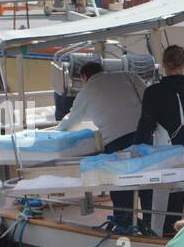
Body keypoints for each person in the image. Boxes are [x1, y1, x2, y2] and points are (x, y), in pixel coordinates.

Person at [134, 44, 184, 237]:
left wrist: (137, 157)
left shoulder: (153, 93)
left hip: (168, 163)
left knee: (169, 219)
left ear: (164, 65)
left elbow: (145, 128)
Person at [56, 60, 146, 232]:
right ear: (102, 70)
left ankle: (123, 225)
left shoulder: (86, 91)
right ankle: (150, 221)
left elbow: (71, 121)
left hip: (116, 140)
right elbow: (148, 96)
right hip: (143, 136)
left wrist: (57, 131)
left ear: (84, 77)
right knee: (147, 178)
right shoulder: (127, 75)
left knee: (119, 183)